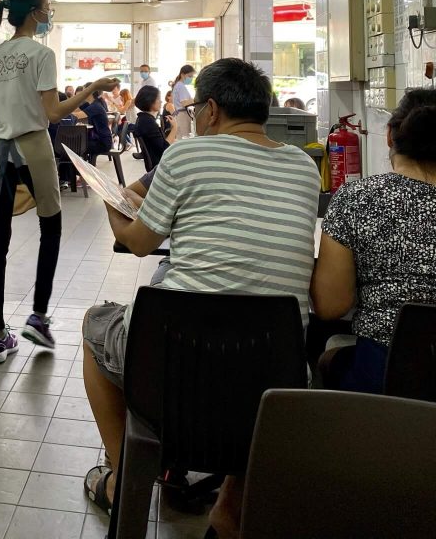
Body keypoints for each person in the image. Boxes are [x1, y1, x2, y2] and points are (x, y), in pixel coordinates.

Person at [81, 58, 320, 537]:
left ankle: (123, 478)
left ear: (210, 110)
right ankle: (230, 506)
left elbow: (139, 243)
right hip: (276, 366)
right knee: (246, 354)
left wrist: (111, 204)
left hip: (175, 359)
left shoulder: (188, 154)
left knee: (95, 326)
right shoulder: (304, 166)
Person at [0, 0, 118, 363]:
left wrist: (7, 101)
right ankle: (38, 318)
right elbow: (54, 113)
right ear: (34, 12)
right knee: (51, 228)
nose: (49, 14)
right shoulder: (42, 54)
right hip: (33, 149)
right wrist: (93, 87)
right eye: (47, 8)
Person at [311, 88, 436, 395]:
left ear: (390, 136)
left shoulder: (357, 199)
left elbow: (331, 306)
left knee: (328, 357)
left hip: (382, 378)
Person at [133, 85, 176, 168]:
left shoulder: (143, 118)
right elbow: (165, 148)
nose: (161, 101)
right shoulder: (148, 122)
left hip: (157, 162)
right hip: (160, 166)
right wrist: (174, 128)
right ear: (150, 101)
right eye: (158, 98)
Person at [74, 86, 113, 160]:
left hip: (102, 142)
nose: (83, 93)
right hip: (96, 139)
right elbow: (74, 110)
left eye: (84, 91)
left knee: (75, 146)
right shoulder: (89, 104)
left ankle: (77, 166)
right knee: (75, 144)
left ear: (91, 92)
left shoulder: (96, 106)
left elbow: (77, 116)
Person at [171, 64, 195, 139]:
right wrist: (195, 100)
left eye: (192, 76)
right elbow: (184, 103)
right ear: (182, 75)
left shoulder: (179, 85)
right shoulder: (180, 86)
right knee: (184, 137)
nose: (191, 78)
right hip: (182, 115)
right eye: (189, 76)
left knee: (181, 137)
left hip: (181, 115)